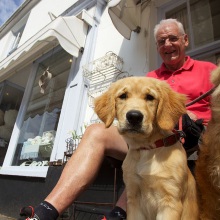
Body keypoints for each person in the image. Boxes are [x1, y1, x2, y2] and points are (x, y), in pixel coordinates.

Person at [19, 18, 217, 220]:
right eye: (161, 41)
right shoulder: (150, 77)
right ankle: (46, 211)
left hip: (196, 141)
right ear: (157, 46)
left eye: (173, 38)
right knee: (97, 132)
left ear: (185, 40)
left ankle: (117, 214)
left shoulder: (208, 70)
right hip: (146, 138)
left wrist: (199, 121)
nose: (167, 44)